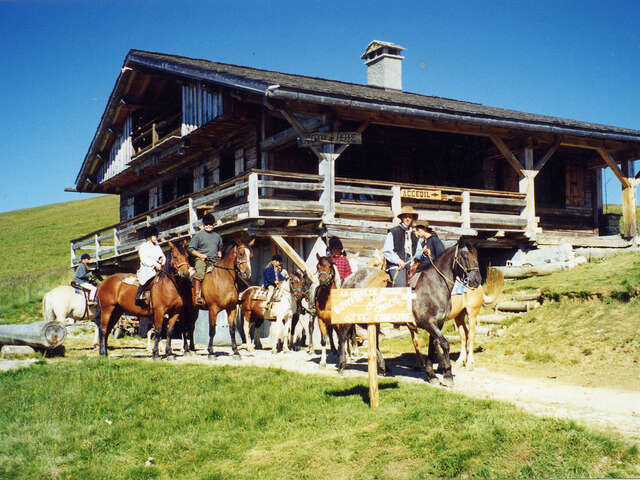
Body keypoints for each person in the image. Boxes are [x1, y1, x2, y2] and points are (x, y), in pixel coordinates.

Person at [188, 213, 223, 306]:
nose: (208, 226)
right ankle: (197, 296)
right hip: (201, 259)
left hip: (215, 260)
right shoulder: (198, 235)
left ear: (213, 225)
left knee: (224, 272)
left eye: (210, 224)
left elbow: (220, 248)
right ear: (203, 225)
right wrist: (200, 255)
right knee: (199, 273)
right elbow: (190, 248)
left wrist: (219, 253)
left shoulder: (217, 236)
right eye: (206, 225)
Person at [382, 206, 420, 287]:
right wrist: (398, 261)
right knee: (401, 286)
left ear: (412, 219)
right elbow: (387, 250)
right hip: (396, 265)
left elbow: (418, 252)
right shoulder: (394, 232)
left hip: (410, 264)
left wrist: (425, 253)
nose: (407, 219)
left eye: (410, 217)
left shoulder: (413, 235)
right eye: (405, 216)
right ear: (402, 218)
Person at [135, 226, 166, 306]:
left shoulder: (157, 246)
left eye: (156, 236)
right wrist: (154, 264)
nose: (156, 238)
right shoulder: (143, 246)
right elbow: (144, 259)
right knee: (147, 279)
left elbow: (162, 255)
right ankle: (139, 295)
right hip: (148, 269)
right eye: (155, 236)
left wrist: (162, 261)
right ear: (149, 236)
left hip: (159, 268)